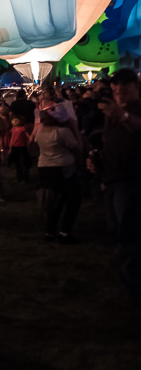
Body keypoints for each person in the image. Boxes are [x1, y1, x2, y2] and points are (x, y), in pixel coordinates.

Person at [96, 68, 141, 306]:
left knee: (129, 236)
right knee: (117, 234)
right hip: (113, 180)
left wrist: (121, 115)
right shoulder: (112, 114)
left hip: (132, 182)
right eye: (115, 89)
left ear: (136, 87)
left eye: (124, 87)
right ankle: (127, 285)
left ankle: (134, 291)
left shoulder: (132, 111)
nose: (119, 92)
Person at [33, 103, 83, 243]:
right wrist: (75, 130)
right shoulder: (62, 132)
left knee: (54, 201)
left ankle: (50, 231)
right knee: (72, 200)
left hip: (45, 166)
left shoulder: (40, 130)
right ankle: (64, 232)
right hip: (63, 168)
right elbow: (76, 148)